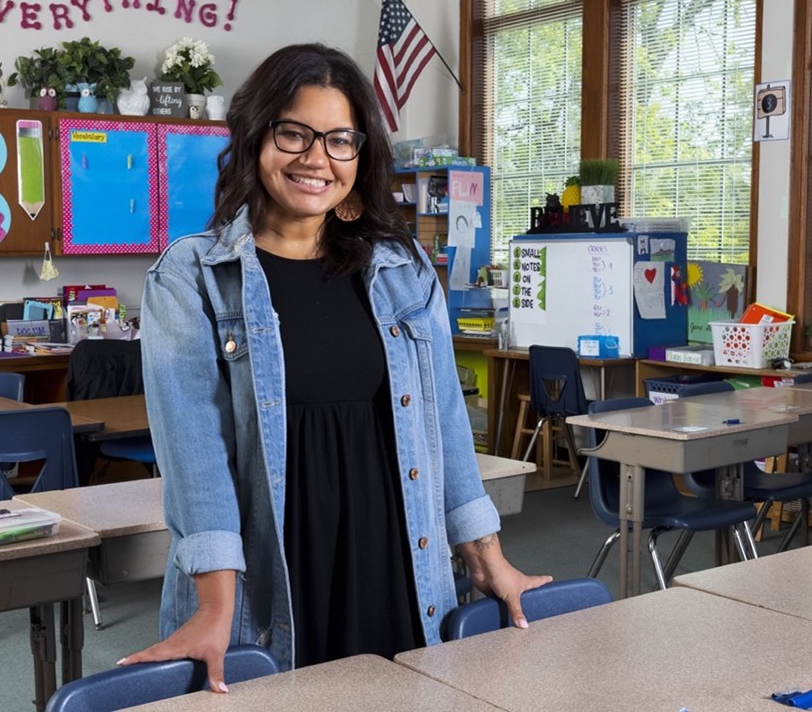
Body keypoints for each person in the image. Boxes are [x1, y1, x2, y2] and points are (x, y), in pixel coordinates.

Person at [122, 44, 550, 690]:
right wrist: (215, 604)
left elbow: (446, 427)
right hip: (278, 573)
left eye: (339, 139)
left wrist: (487, 557)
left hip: (396, 554)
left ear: (360, 153)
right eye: (294, 132)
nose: (316, 158)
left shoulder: (401, 267)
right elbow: (195, 456)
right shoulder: (193, 277)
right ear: (255, 135)